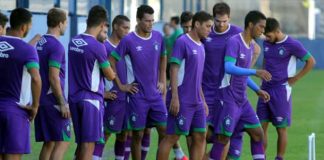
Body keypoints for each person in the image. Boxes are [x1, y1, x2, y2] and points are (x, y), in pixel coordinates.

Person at [209, 10, 271, 160]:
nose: (263, 31)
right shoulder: (234, 41)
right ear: (250, 24)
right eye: (261, 27)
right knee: (222, 139)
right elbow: (229, 67)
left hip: (242, 100)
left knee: (258, 135)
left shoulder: (250, 46)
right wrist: (254, 72)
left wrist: (257, 90)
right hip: (228, 98)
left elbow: (241, 74)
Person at [109, 5, 167, 160]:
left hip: (155, 95)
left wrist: (162, 79)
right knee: (137, 135)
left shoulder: (158, 37)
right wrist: (121, 85)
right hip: (137, 96)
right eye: (147, 21)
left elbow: (163, 57)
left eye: (152, 21)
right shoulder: (128, 40)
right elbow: (111, 60)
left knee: (165, 130)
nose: (150, 24)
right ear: (139, 20)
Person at [157, 11, 213, 160]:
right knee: (171, 137)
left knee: (200, 136)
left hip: (197, 101)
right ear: (197, 24)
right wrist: (175, 97)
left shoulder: (201, 45)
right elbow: (173, 69)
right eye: (207, 26)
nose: (209, 29)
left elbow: (197, 77)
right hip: (182, 100)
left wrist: (203, 100)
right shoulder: (183, 41)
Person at [257, 17, 315, 160]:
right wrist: (263, 72)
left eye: (269, 35)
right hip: (264, 89)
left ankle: (279, 158)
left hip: (281, 91)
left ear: (277, 31)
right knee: (259, 128)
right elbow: (266, 58)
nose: (267, 38)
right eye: (265, 35)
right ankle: (260, 157)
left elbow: (311, 61)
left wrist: (295, 78)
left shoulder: (292, 44)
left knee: (280, 128)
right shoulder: (266, 42)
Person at [68, 5, 116, 160]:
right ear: (102, 25)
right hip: (91, 100)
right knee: (89, 145)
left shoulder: (73, 41)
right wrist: (114, 73)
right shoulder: (98, 46)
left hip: (74, 98)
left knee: (82, 143)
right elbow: (109, 75)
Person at [0, 8, 42, 160]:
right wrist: (35, 106)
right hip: (15, 111)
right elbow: (36, 79)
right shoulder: (28, 50)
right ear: (24, 27)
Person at [92, 15, 133, 160]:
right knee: (106, 133)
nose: (127, 31)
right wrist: (103, 93)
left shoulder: (127, 47)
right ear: (115, 26)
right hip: (112, 98)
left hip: (126, 98)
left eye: (129, 28)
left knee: (124, 134)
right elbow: (95, 73)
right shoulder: (104, 46)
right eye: (125, 27)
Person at [34, 8, 70, 160]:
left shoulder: (40, 42)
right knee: (63, 141)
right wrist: (62, 102)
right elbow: (53, 77)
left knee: (49, 143)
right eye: (66, 22)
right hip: (52, 101)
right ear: (60, 23)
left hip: (42, 100)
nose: (66, 26)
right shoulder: (56, 46)